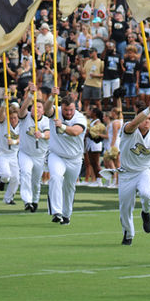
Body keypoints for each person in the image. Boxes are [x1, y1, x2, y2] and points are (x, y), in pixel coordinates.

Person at [117, 98, 150, 245]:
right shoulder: (128, 129)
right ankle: (128, 234)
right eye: (145, 118)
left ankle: (146, 212)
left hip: (143, 171)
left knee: (147, 195)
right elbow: (134, 123)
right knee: (125, 208)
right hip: (126, 173)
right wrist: (149, 109)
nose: (146, 121)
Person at [47, 95, 87, 224]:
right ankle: (56, 212)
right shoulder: (55, 111)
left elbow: (75, 131)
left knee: (69, 187)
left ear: (75, 107)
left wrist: (62, 126)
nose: (68, 113)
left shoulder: (80, 117)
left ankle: (66, 215)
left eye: (71, 110)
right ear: (61, 107)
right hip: (56, 155)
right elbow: (47, 110)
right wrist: (52, 97)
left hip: (74, 158)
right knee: (56, 177)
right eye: (65, 110)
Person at [18, 84, 54, 212]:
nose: (36, 109)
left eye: (39, 107)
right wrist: (30, 96)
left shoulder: (46, 121)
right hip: (25, 153)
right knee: (26, 173)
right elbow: (21, 110)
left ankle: (35, 200)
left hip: (39, 155)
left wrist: (42, 135)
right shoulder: (25, 117)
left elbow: (49, 134)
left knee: (36, 180)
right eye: (34, 107)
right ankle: (27, 200)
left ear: (43, 110)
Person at [0, 103, 19, 205]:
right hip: (2, 153)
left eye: (15, 118)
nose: (13, 120)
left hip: (14, 154)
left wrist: (14, 142)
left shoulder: (22, 125)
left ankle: (8, 198)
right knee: (6, 175)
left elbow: (22, 139)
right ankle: (2, 181)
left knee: (16, 178)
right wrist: (4, 104)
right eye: (11, 118)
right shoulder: (4, 122)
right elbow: (0, 114)